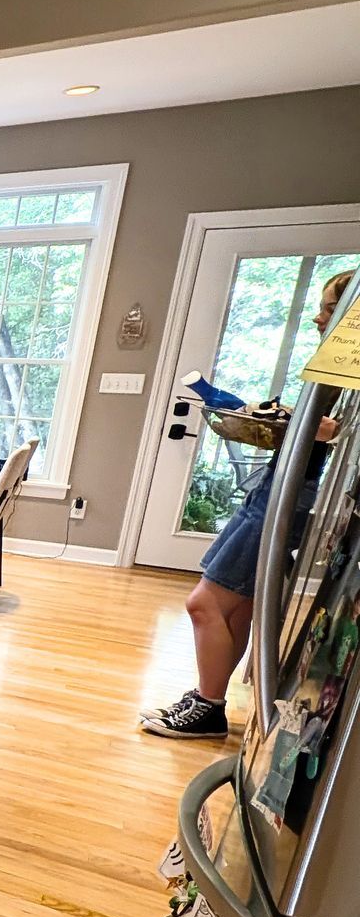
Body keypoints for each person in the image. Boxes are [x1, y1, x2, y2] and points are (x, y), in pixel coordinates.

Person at [143, 267, 354, 739]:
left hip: (289, 500)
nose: (318, 319)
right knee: (236, 609)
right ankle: (208, 698)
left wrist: (305, 424)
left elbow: (342, 435)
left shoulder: (350, 375)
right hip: (276, 492)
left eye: (329, 309)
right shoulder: (335, 371)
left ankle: (208, 705)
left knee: (202, 604)